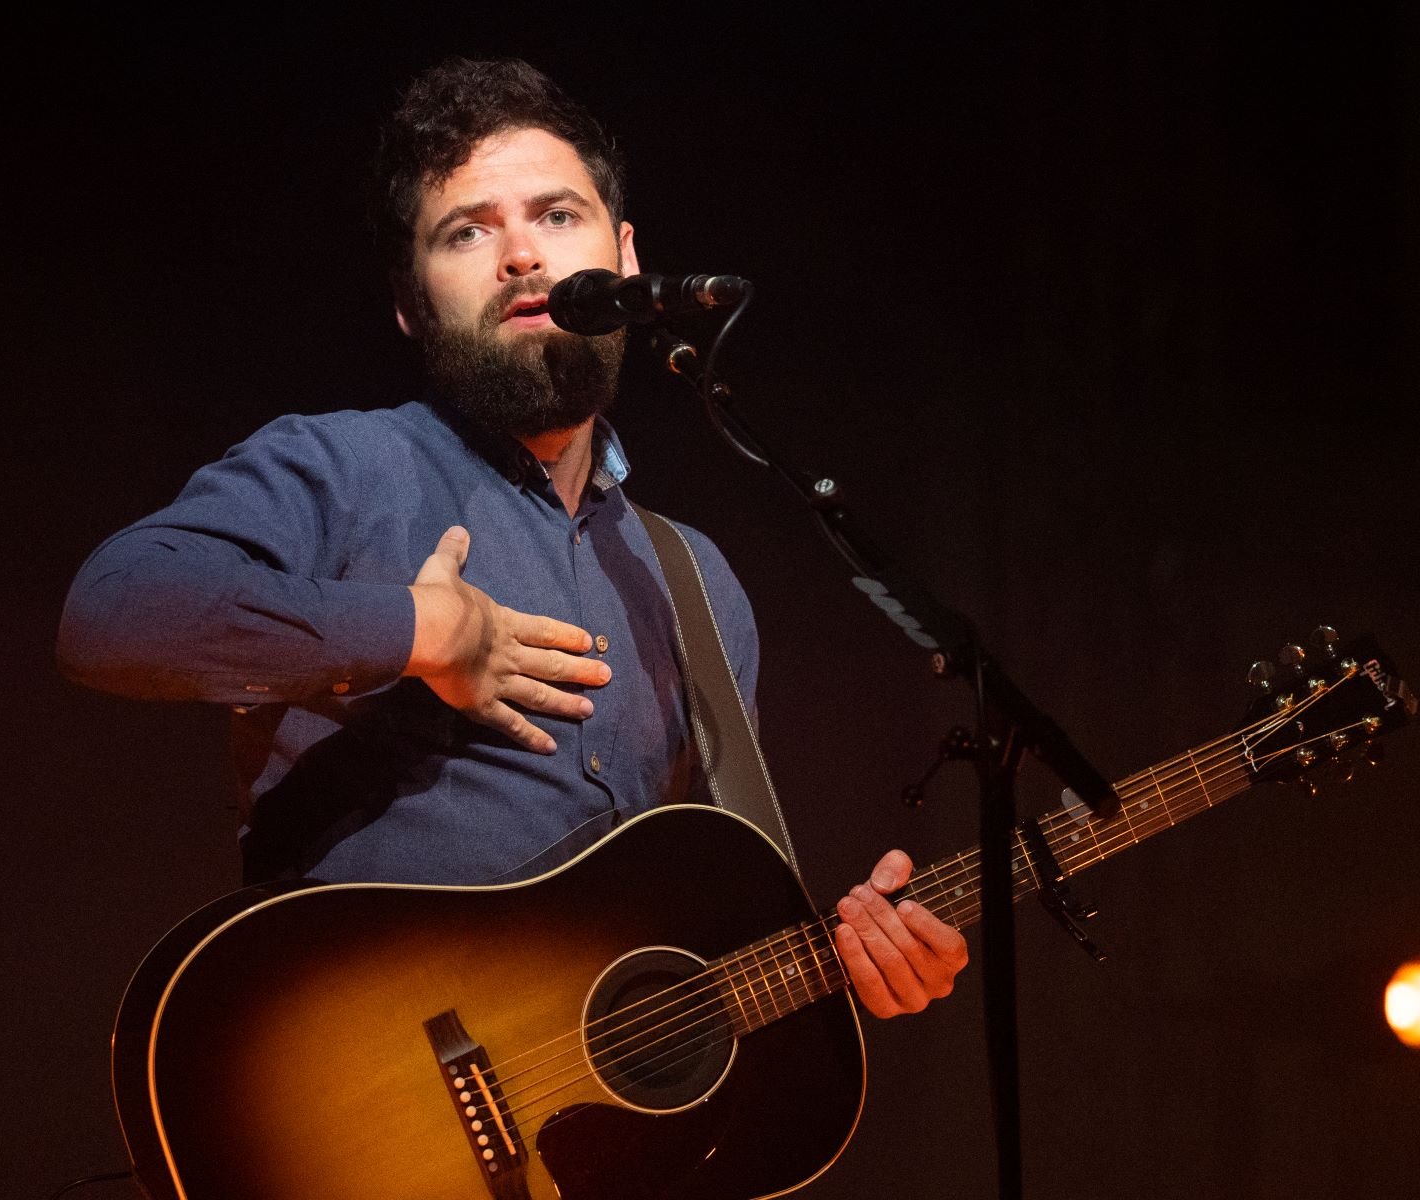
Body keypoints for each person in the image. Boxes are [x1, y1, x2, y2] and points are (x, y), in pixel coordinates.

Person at [56, 56, 965, 1020]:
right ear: (410, 301)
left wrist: (843, 959)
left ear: (621, 260)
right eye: (467, 232)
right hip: (366, 1095)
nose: (523, 256)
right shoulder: (343, 466)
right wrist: (420, 633)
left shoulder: (698, 584)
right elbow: (111, 612)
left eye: (557, 216)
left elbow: (690, 934)